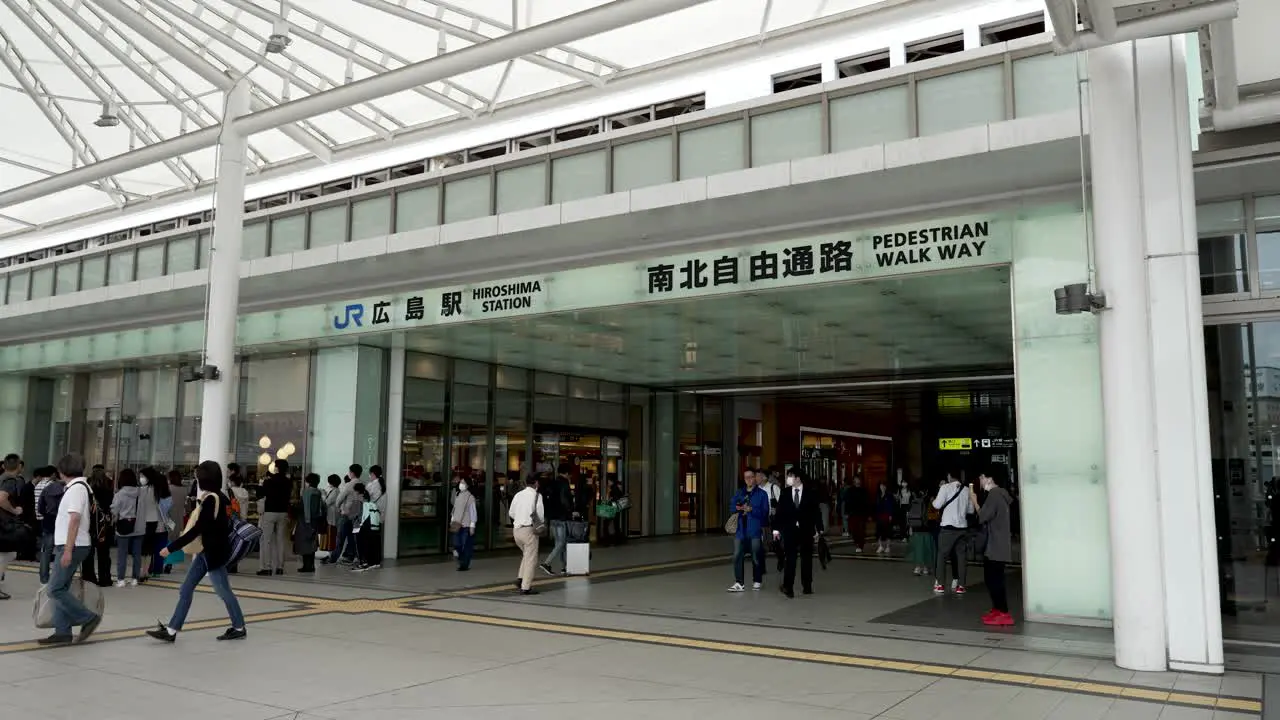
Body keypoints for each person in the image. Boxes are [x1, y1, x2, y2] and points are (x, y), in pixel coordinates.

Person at [148, 460, 246, 643]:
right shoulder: (222, 497)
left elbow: (196, 530)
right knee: (186, 589)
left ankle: (239, 627)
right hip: (208, 552)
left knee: (223, 591)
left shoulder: (211, 500)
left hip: (212, 555)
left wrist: (170, 548)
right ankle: (171, 630)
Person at [38, 453, 102, 646]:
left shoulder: (76, 490)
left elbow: (74, 520)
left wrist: (67, 550)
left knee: (55, 588)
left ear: (62, 471)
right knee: (61, 588)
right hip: (75, 544)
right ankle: (62, 631)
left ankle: (88, 617)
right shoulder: (81, 487)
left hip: (72, 545)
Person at [973, 468, 1015, 626]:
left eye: (981, 477)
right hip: (997, 544)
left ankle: (1003, 612)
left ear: (989, 478)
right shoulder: (1001, 494)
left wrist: (975, 501)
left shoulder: (995, 494)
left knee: (995, 580)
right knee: (992, 578)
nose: (980, 481)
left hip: (995, 545)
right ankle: (997, 609)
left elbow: (982, 516)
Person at [773, 468, 822, 598]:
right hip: (790, 530)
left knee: (807, 558)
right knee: (790, 559)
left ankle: (807, 586)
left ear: (798, 478)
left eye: (790, 476)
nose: (788, 479)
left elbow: (816, 512)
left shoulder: (810, 493)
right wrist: (776, 529)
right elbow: (779, 512)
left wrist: (819, 529)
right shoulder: (785, 493)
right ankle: (788, 587)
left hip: (806, 530)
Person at [932, 470, 973, 595]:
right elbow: (971, 510)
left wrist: (939, 493)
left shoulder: (945, 487)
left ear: (949, 476)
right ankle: (961, 586)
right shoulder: (966, 490)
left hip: (948, 528)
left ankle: (940, 585)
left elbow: (937, 505)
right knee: (961, 557)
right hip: (962, 528)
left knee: (942, 555)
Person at [727, 470, 769, 592]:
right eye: (746, 478)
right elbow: (731, 506)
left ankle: (757, 580)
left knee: (756, 556)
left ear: (755, 478)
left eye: (751, 477)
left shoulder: (762, 494)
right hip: (740, 530)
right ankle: (739, 582)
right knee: (737, 556)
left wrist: (752, 510)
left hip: (754, 531)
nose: (749, 480)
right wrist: (738, 508)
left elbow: (764, 513)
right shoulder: (740, 492)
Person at [509, 474, 544, 596]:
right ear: (536, 483)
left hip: (516, 530)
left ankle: (520, 579)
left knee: (527, 554)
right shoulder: (537, 496)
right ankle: (525, 587)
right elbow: (540, 514)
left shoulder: (518, 495)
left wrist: (520, 518)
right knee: (531, 559)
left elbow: (511, 512)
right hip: (529, 531)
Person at [110, 468, 146, 587]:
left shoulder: (119, 494)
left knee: (122, 554)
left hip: (124, 527)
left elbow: (114, 511)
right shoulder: (142, 492)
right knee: (137, 554)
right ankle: (135, 579)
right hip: (139, 527)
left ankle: (121, 579)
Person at [257, 459, 292, 576]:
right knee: (280, 540)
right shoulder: (288, 482)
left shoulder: (268, 482)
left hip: (269, 512)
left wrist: (261, 484)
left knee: (266, 540)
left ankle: (266, 567)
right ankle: (280, 567)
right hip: (283, 512)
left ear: (276, 468)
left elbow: (261, 494)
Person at [538, 464, 574, 576]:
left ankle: (564, 567)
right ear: (567, 473)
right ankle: (546, 563)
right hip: (561, 516)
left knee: (560, 542)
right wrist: (570, 511)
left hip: (552, 517)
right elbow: (564, 500)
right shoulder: (564, 484)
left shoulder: (552, 483)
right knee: (562, 542)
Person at [81, 465, 113, 587]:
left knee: (88, 552)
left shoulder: (88, 484)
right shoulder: (109, 483)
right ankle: (105, 578)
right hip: (104, 523)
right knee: (104, 553)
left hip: (90, 522)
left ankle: (89, 577)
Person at [0, 453, 25, 600]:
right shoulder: (10, 480)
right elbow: (2, 498)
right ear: (19, 466)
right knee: (6, 554)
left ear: (4, 465)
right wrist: (14, 510)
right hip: (3, 523)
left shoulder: (1, 477)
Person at [324, 465, 360, 565]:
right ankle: (352, 556)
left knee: (340, 537)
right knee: (352, 537)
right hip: (357, 515)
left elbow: (339, 499)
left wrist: (340, 508)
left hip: (346, 514)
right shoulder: (362, 483)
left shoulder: (349, 485)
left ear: (351, 473)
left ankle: (333, 558)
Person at [35, 466, 64, 585]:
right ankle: (58, 577)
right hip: (62, 521)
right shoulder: (67, 489)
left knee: (46, 551)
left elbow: (40, 507)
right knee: (61, 551)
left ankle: (44, 578)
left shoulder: (47, 488)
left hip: (48, 520)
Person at [143, 468, 172, 577]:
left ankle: (149, 569)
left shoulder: (152, 494)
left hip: (151, 525)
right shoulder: (167, 496)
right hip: (163, 526)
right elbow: (169, 510)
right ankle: (157, 571)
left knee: (149, 549)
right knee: (160, 550)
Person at [295, 473, 325, 574]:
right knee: (312, 543)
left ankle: (306, 566)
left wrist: (307, 521)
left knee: (305, 543)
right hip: (315, 520)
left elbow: (306, 507)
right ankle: (311, 565)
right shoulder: (318, 492)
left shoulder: (307, 492)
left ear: (308, 481)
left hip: (306, 521)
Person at [352, 482, 382, 572]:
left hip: (362, 527)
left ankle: (363, 563)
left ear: (358, 493)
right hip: (372, 527)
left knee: (361, 545)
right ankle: (374, 562)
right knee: (372, 544)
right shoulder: (371, 503)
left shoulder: (359, 503)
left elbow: (353, 516)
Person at [451, 476, 477, 571]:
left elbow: (473, 512)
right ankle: (461, 560)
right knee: (457, 544)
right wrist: (452, 519)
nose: (461, 484)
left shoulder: (470, 497)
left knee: (466, 545)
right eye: (460, 482)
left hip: (466, 524)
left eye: (463, 483)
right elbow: (455, 509)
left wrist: (472, 525)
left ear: (467, 485)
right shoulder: (458, 495)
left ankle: (464, 564)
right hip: (456, 523)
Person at [843, 475, 870, 553]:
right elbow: (847, 502)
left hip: (861, 514)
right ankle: (857, 543)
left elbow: (867, 503)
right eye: (856, 480)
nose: (857, 481)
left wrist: (868, 514)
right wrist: (846, 512)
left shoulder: (864, 491)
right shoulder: (850, 491)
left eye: (859, 480)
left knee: (861, 530)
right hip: (853, 513)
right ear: (854, 481)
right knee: (854, 530)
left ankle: (860, 545)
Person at [874, 483, 896, 555]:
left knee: (888, 532)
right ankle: (880, 546)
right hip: (879, 515)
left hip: (886, 515)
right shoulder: (878, 495)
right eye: (881, 486)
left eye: (884, 486)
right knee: (879, 532)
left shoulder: (889, 496)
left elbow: (891, 506)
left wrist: (890, 515)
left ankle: (887, 546)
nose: (882, 487)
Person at [321, 474, 341, 552]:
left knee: (331, 535)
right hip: (332, 515)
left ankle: (331, 551)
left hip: (332, 516)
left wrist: (323, 494)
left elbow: (327, 502)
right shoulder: (335, 490)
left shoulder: (335, 491)